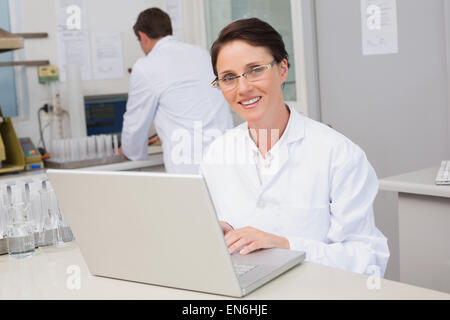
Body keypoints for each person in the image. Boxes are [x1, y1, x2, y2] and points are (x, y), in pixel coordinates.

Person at [200, 18, 390, 276]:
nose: (243, 88)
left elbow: (369, 259)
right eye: (228, 78)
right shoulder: (216, 154)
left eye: (255, 69)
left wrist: (287, 246)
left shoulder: (339, 155)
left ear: (282, 69)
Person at [121, 8, 233, 174]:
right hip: (227, 156)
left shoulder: (146, 66)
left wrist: (131, 152)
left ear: (142, 37)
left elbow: (135, 123)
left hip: (190, 165)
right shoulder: (200, 53)